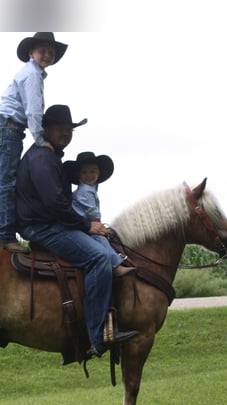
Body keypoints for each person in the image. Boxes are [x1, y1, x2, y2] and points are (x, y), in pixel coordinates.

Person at [15, 105, 139, 357]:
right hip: (44, 227)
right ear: (46, 129)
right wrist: (87, 225)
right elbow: (55, 204)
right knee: (98, 257)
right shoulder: (41, 158)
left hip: (50, 223)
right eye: (60, 129)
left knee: (101, 246)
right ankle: (95, 336)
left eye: (69, 130)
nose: (65, 134)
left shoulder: (49, 157)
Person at [0, 32, 68, 253]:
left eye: (51, 52)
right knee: (8, 182)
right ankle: (4, 235)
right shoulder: (32, 75)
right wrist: (41, 140)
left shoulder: (33, 74)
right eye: (43, 51)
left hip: (7, 128)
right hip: (8, 127)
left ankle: (3, 232)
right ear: (31, 53)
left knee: (9, 181)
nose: (48, 55)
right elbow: (33, 111)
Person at [64, 151, 135, 278]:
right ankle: (116, 266)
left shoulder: (90, 189)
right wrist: (100, 226)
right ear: (78, 175)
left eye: (92, 171)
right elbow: (92, 213)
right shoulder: (85, 191)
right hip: (83, 226)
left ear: (98, 173)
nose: (89, 175)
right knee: (100, 240)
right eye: (84, 172)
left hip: (84, 224)